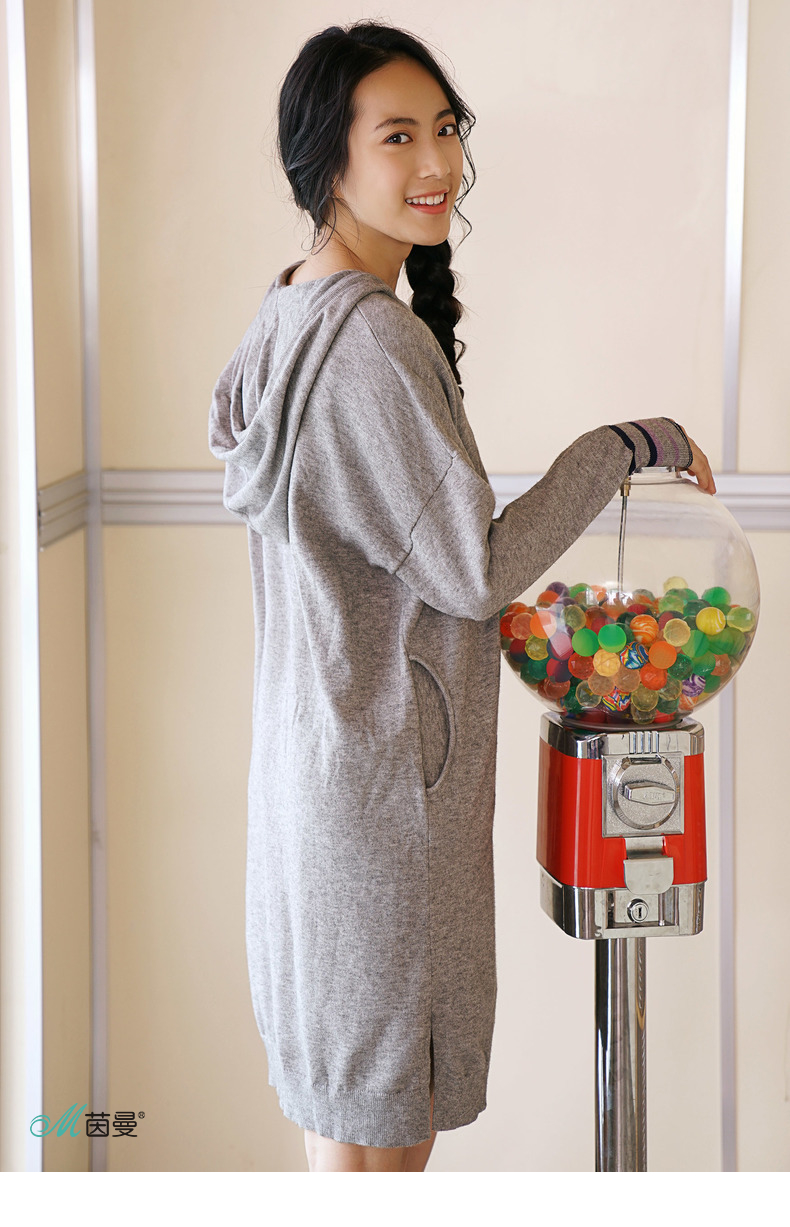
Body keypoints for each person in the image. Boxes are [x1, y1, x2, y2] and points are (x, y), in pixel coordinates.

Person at [207, 20, 715, 1174]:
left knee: (344, 1121)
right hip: (386, 797)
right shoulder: (371, 343)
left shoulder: (286, 313)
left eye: (444, 129)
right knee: (386, 1135)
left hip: (313, 779)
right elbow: (472, 572)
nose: (437, 162)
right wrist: (621, 446)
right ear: (325, 162)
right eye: (397, 136)